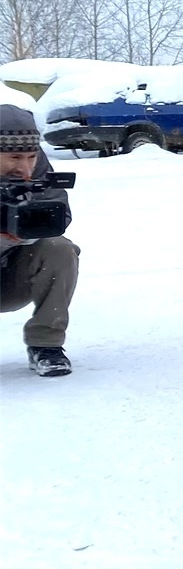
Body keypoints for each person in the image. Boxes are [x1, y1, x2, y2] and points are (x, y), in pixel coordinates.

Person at [0, 104, 77, 378]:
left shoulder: (36, 171)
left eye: (31, 156)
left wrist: (24, 224)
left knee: (60, 248)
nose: (25, 167)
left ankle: (46, 345)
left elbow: (59, 214)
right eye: (14, 157)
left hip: (10, 279)